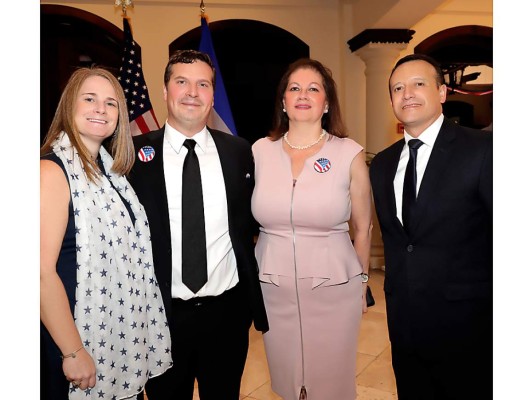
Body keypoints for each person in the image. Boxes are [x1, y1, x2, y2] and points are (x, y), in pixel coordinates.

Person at [128, 49, 269, 400]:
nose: (192, 92)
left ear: (212, 94)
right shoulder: (132, 156)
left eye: (202, 84)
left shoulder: (239, 152)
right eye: (182, 82)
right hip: (162, 316)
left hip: (227, 314)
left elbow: (253, 220)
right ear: (165, 91)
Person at [40, 67, 172, 400]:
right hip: (68, 341)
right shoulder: (50, 171)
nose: (101, 109)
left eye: (111, 103)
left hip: (113, 340)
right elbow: (38, 272)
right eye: (90, 99)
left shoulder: (111, 173)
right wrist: (73, 352)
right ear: (69, 106)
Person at [369, 54, 492, 399]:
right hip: (405, 328)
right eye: (397, 87)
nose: (406, 93)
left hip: (470, 329)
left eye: (418, 84)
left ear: (441, 92)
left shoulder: (483, 150)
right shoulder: (382, 164)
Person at [251, 58, 373, 400]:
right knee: (287, 381)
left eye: (313, 89)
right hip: (272, 289)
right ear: (283, 101)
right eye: (294, 88)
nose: (303, 95)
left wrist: (363, 284)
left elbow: (363, 228)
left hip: (334, 288)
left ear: (327, 102)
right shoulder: (260, 151)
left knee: (331, 384)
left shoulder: (349, 153)